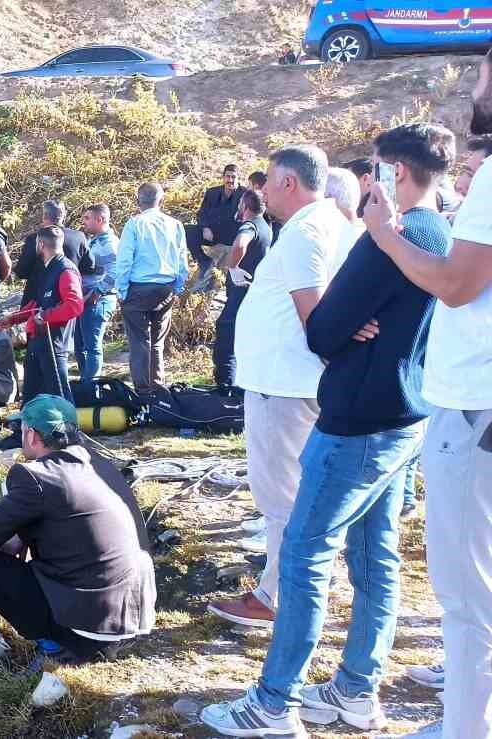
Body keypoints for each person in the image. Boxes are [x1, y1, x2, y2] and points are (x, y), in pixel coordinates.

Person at [200, 123, 455, 738]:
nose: (363, 185)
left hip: (356, 422)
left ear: (393, 174)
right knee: (376, 558)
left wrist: (345, 315)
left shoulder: (385, 238)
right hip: (401, 414)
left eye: (371, 170)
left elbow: (323, 329)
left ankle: (273, 703)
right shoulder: (434, 232)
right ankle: (353, 692)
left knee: (307, 554)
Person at [358, 53, 492, 738]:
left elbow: (458, 284)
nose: (475, 87)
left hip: (473, 406)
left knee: (466, 592)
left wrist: (383, 234)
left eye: (483, 74)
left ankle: (466, 727)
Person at [205, 145, 354, 631]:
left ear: (289, 182)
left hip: (284, 384)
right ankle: (300, 583)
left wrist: (339, 349)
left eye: (268, 180)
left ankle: (276, 596)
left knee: (281, 497)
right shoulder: (334, 224)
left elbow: (318, 318)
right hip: (297, 381)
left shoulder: (306, 231)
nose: (261, 190)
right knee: (302, 493)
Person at [0, 394, 155, 664]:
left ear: (31, 436)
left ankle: (54, 647)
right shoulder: (101, 464)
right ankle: (73, 636)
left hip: (89, 633)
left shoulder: (33, 476)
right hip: (134, 621)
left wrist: (13, 539)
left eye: (21, 431)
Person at [0, 226, 84, 404]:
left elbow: (74, 305)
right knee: (31, 393)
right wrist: (12, 319)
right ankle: (26, 430)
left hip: (54, 343)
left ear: (41, 244)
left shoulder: (65, 270)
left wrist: (46, 316)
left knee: (59, 393)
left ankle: (69, 430)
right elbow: (37, 304)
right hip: (37, 342)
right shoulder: (46, 269)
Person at [111, 183, 187, 391]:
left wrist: (121, 290)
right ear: (161, 201)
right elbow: (182, 259)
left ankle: (143, 391)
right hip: (166, 287)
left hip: (138, 288)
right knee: (156, 342)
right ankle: (158, 386)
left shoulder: (134, 224)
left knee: (139, 341)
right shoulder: (175, 224)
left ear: (138, 201)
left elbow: (124, 260)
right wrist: (178, 287)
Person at [210, 189, 272, 391]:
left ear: (244, 206)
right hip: (255, 293)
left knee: (226, 334)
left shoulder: (250, 225)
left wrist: (233, 267)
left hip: (242, 291)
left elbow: (240, 244)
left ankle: (226, 389)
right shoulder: (266, 226)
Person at [75, 204, 118, 392]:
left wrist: (98, 291)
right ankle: (86, 386)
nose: (84, 222)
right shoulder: (95, 240)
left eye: (87, 218)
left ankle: (91, 388)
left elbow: (116, 271)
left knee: (92, 346)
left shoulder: (109, 243)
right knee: (80, 346)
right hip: (84, 299)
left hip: (98, 300)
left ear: (100, 219)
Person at [15, 201, 93, 300]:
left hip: (36, 300)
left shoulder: (35, 239)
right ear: (63, 215)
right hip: (67, 297)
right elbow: (89, 268)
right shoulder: (79, 237)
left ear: (44, 216)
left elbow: (21, 272)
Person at [195, 164, 246, 279]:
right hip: (214, 240)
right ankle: (200, 261)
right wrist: (205, 228)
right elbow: (202, 213)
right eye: (227, 176)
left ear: (239, 178)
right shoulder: (212, 192)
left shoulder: (245, 195)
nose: (230, 180)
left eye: (234, 177)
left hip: (233, 243)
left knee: (223, 278)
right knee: (204, 275)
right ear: (223, 177)